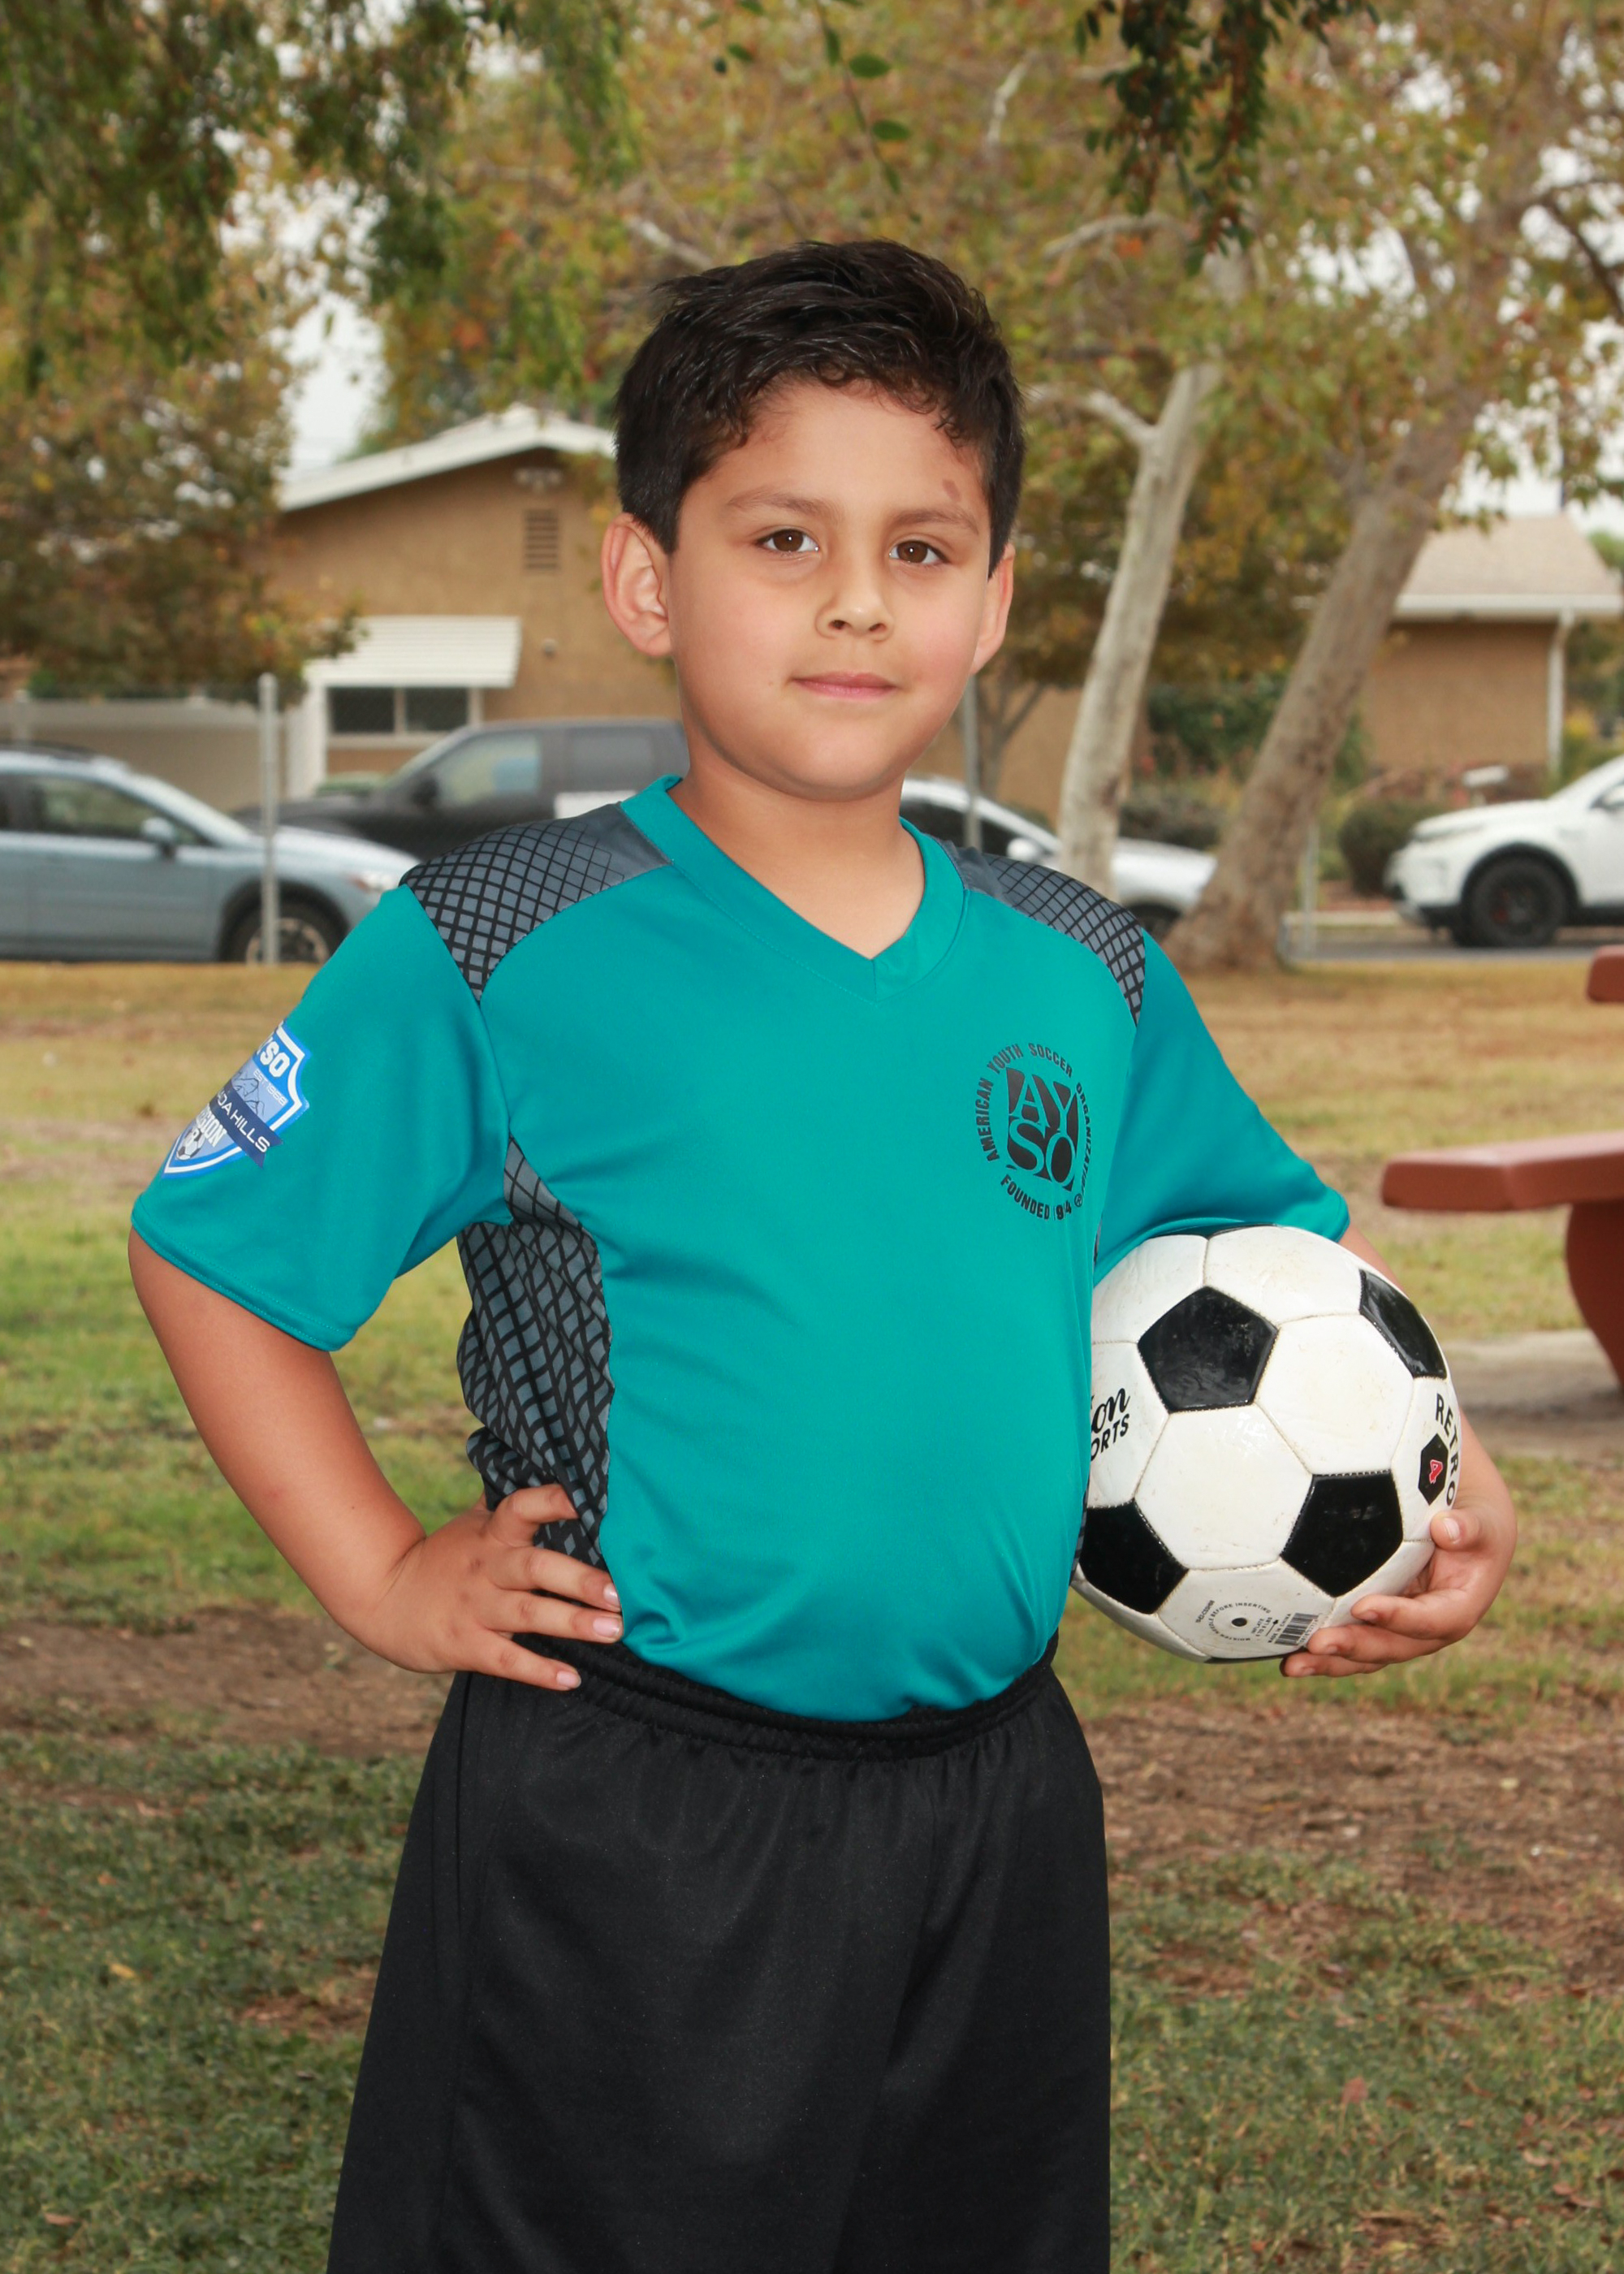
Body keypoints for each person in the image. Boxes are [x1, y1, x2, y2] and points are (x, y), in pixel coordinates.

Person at [129, 240, 1515, 2274]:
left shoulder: (1081, 967)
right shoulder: (501, 938)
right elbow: (219, 1254)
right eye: (784, 537)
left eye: (919, 547)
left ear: (994, 597)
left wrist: (1451, 1479)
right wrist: (381, 1570)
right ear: (646, 577)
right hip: (636, 1807)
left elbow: (1283, 1259)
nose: (858, 599)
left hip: (994, 1805)